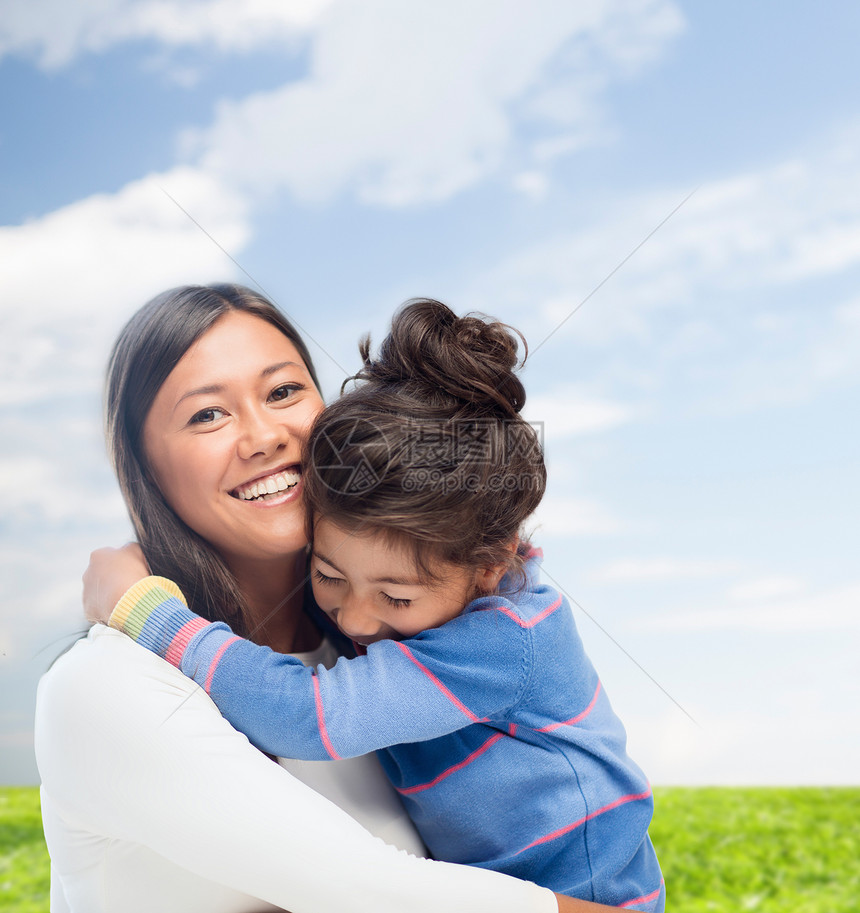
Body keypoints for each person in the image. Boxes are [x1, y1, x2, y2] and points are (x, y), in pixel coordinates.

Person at [36, 283, 628, 913]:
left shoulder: (376, 648)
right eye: (207, 413)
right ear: (143, 467)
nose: (263, 436)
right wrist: (144, 614)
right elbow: (375, 896)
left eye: (283, 391)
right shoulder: (105, 686)